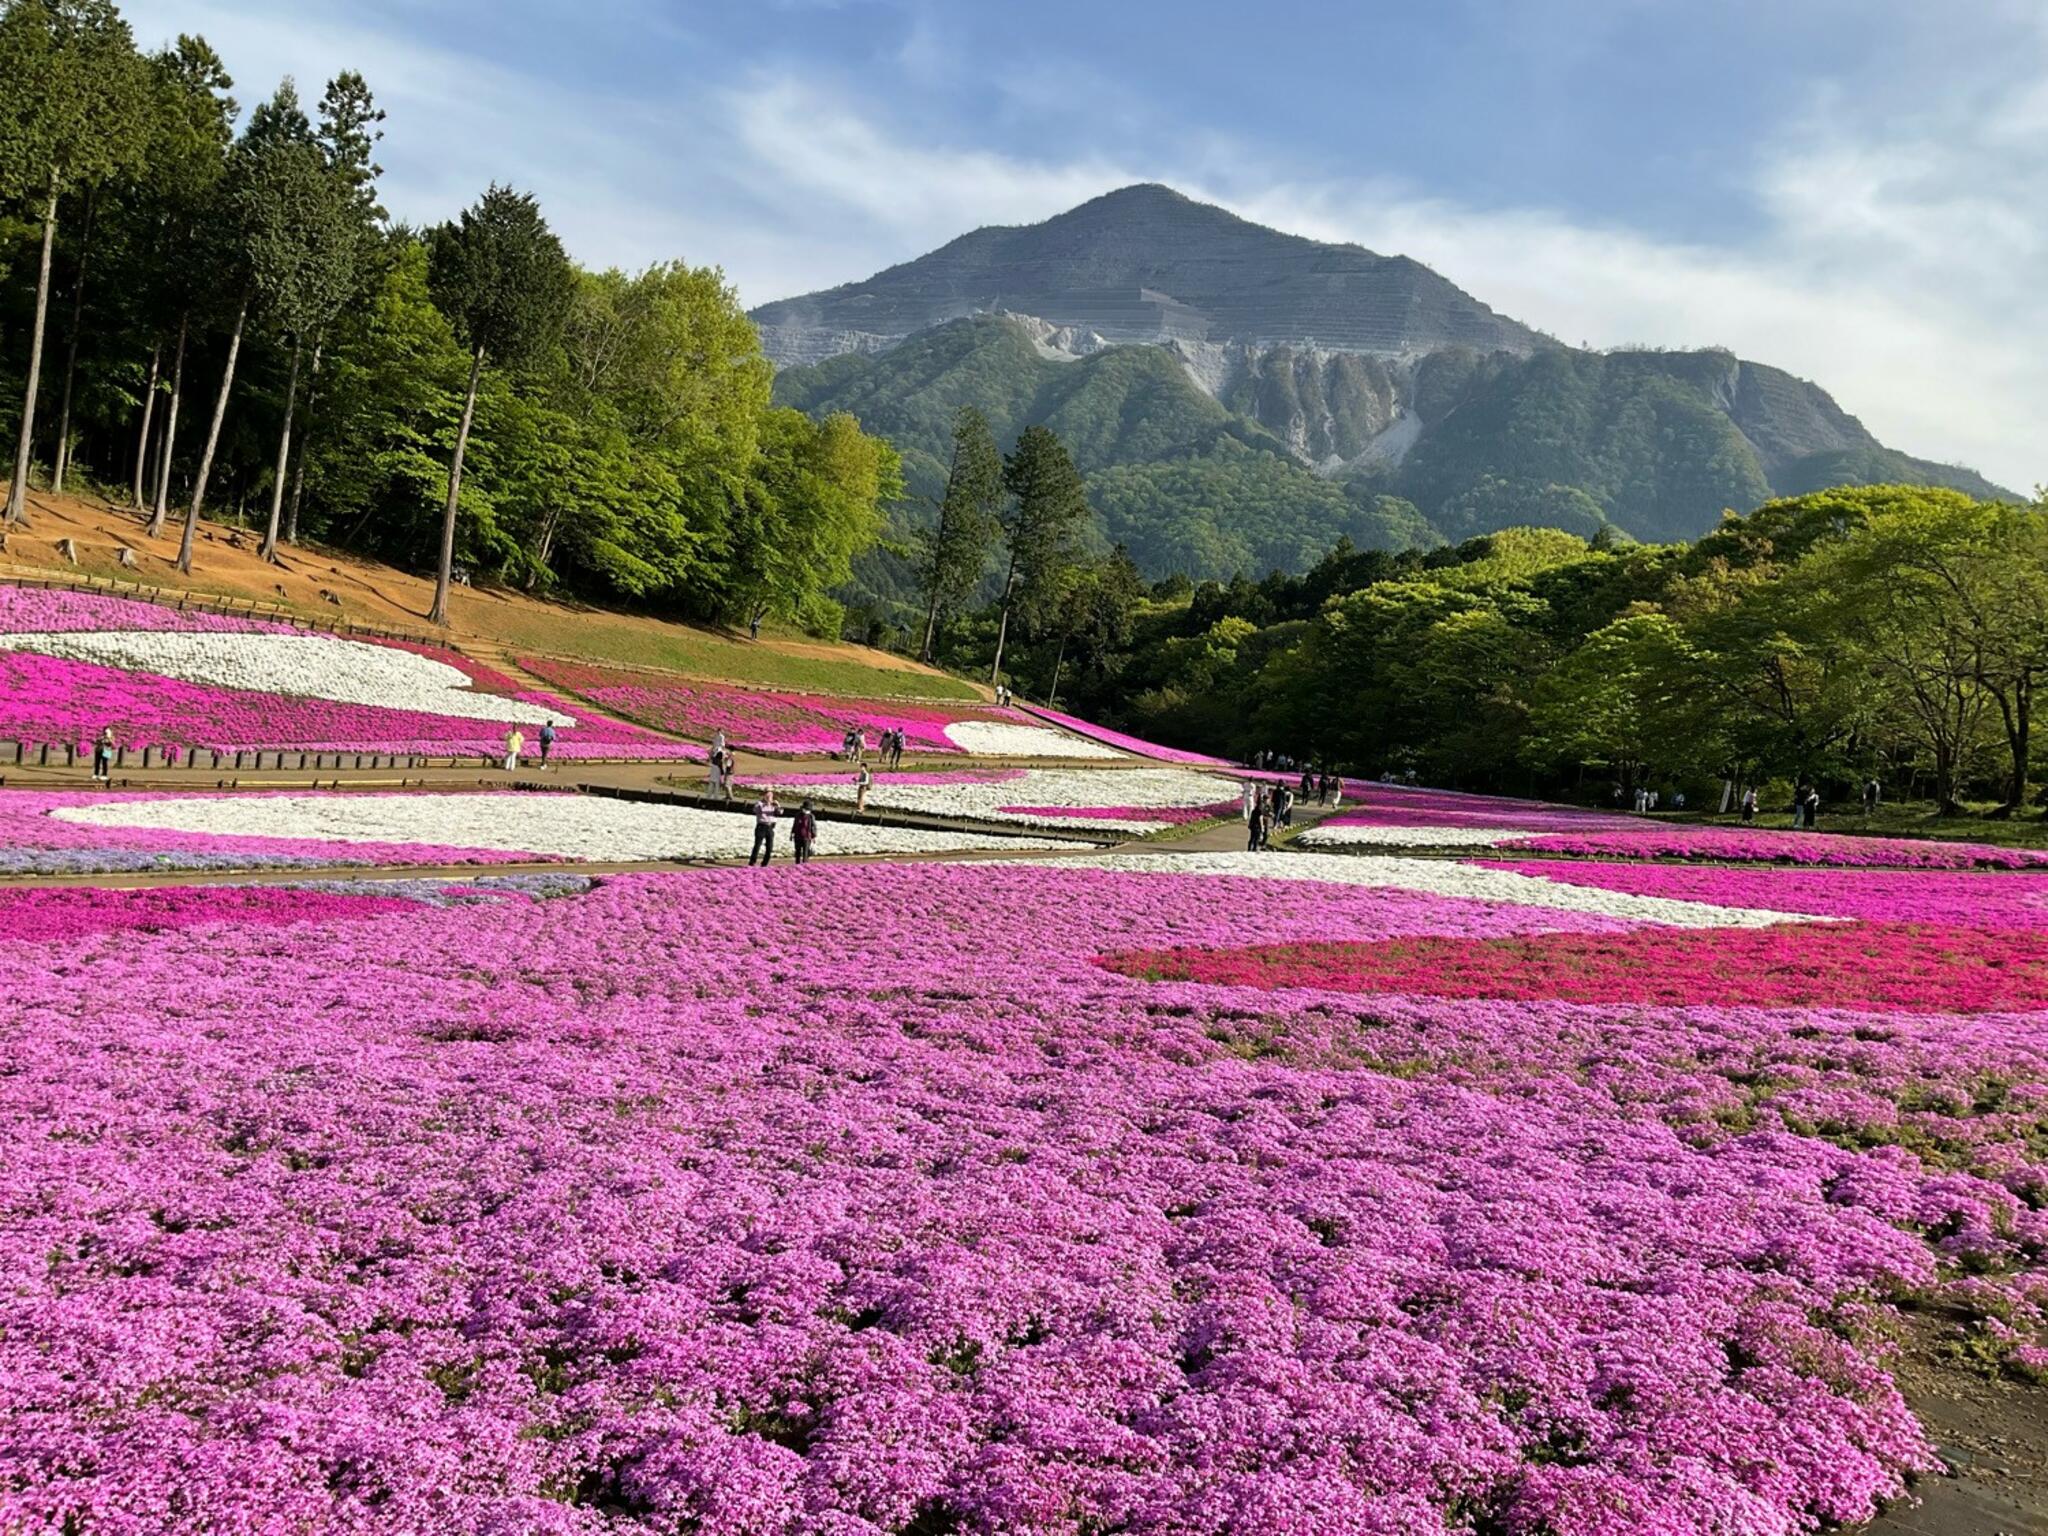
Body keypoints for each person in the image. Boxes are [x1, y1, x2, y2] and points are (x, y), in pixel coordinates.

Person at [750, 789, 780, 865]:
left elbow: (780, 813)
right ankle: (752, 862)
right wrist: (765, 804)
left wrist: (778, 806)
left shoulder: (774, 804)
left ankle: (765, 863)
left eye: (771, 795)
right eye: (768, 795)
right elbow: (755, 810)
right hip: (761, 826)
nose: (769, 797)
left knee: (770, 847)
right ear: (764, 796)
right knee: (757, 845)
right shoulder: (759, 804)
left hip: (770, 827)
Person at [793, 799, 818, 864]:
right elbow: (795, 825)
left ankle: (805, 864)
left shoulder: (811, 816)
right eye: (806, 809)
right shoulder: (798, 815)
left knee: (805, 853)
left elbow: (813, 826)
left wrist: (814, 836)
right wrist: (792, 833)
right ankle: (797, 864)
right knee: (797, 852)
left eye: (808, 809)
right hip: (798, 836)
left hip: (807, 837)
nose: (807, 811)